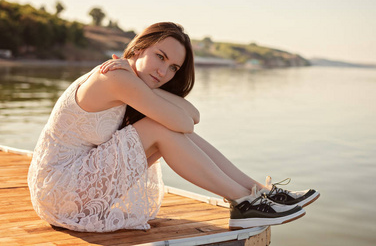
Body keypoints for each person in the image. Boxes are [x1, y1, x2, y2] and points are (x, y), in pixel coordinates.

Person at [28, 22, 319, 233]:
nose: (163, 72)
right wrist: (151, 92)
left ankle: (256, 192)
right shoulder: (115, 77)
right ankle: (245, 201)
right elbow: (182, 122)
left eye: (173, 68)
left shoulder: (130, 78)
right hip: (59, 189)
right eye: (160, 57)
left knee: (164, 126)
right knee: (159, 127)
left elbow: (193, 116)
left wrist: (153, 90)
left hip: (73, 185)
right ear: (140, 47)